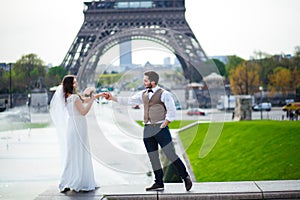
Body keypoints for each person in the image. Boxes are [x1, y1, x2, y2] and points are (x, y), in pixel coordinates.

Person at [104, 70, 192, 191]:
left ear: (153, 82)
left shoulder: (164, 94)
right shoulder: (143, 94)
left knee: (170, 154)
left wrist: (165, 123)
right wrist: (112, 98)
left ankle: (185, 176)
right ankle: (159, 182)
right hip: (148, 129)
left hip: (161, 128)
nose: (144, 82)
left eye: (146, 80)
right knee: (153, 157)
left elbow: (172, 111)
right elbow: (129, 101)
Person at [50, 75, 104, 193]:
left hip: (72, 126)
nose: (77, 84)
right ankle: (81, 180)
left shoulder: (68, 97)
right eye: (75, 82)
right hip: (79, 126)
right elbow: (83, 111)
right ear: (71, 84)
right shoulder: (74, 97)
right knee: (81, 153)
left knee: (73, 154)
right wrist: (92, 102)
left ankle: (68, 180)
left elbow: (84, 99)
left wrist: (96, 96)